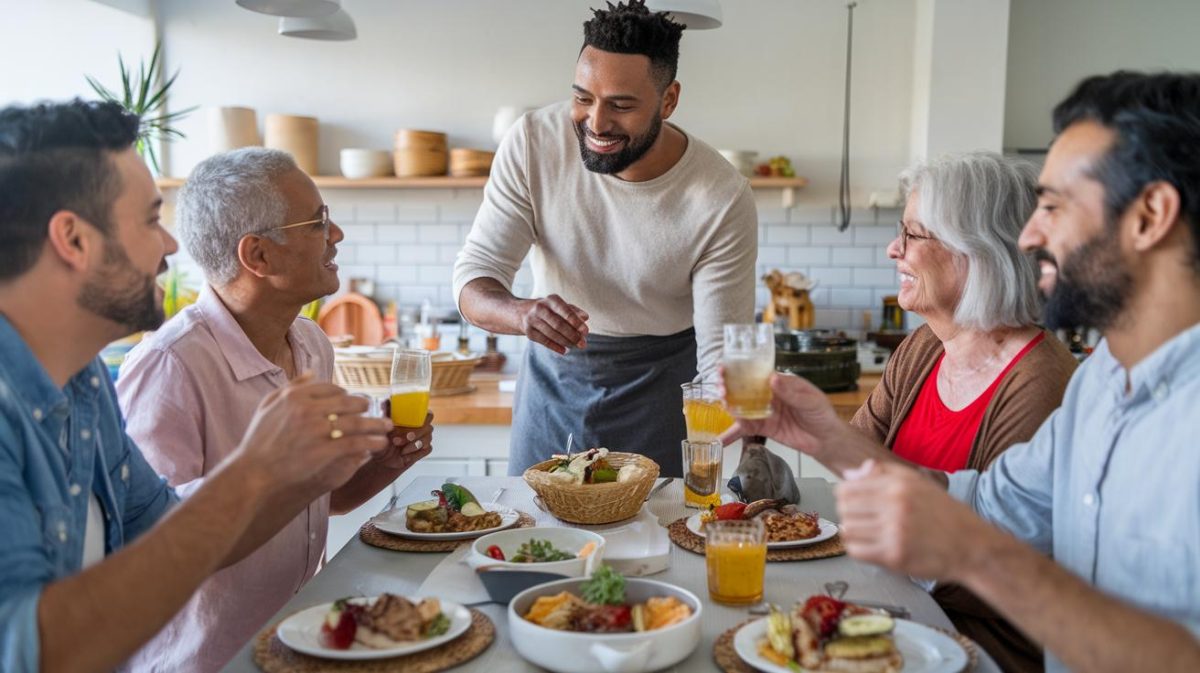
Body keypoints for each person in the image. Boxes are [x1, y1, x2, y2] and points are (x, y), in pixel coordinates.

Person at [725, 71, 1200, 672]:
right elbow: (991, 505)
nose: (1030, 234)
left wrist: (975, 555)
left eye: (1054, 206)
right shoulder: (1103, 382)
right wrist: (826, 436)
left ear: (1150, 214)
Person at [0, 99, 393, 673]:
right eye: (148, 219)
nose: (170, 245)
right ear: (74, 239)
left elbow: (168, 534)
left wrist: (299, 473)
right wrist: (257, 469)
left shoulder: (81, 384)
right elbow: (28, 652)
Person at [114, 148, 435, 672]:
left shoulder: (310, 343)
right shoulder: (169, 367)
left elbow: (318, 504)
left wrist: (384, 462)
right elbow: (155, 555)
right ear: (258, 256)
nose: (337, 236)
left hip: (299, 644)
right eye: (319, 223)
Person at [452, 0, 757, 477]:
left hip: (660, 393)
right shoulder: (534, 142)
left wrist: (746, 444)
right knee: (535, 542)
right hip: (553, 386)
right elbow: (475, 279)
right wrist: (521, 313)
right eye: (582, 97)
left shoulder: (720, 196)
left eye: (621, 105)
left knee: (655, 545)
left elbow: (721, 360)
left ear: (669, 100)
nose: (595, 123)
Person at [853, 152, 1077, 671]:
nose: (894, 249)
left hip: (973, 645)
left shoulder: (1040, 382)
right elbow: (853, 471)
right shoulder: (923, 348)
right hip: (893, 607)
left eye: (913, 234)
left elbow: (994, 574)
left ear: (978, 253)